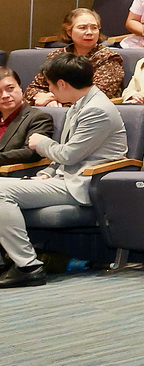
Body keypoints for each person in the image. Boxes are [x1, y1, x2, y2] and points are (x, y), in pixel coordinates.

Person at [0, 55, 128, 289]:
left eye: (49, 84)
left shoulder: (97, 110)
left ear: (62, 84)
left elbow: (69, 154)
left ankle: (28, 266)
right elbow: (66, 154)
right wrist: (48, 171)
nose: (48, 90)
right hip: (64, 179)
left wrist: (40, 143)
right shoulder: (81, 104)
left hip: (84, 184)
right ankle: (11, 261)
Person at [27, 9, 125, 105]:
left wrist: (51, 99)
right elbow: (32, 90)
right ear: (69, 32)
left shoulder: (109, 57)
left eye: (94, 28)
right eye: (83, 28)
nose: (89, 32)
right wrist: (43, 98)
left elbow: (97, 94)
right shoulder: (57, 56)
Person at [0, 71, 54, 168]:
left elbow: (31, 152)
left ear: (20, 88)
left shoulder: (38, 118)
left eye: (10, 89)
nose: (5, 95)